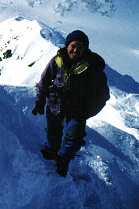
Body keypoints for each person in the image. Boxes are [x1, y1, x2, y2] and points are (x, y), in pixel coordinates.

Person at [32, 30, 110, 177]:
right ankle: (52, 151)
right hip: (55, 104)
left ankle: (63, 160)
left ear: (85, 49)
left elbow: (103, 95)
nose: (76, 50)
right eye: (73, 45)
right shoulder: (57, 61)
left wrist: (86, 112)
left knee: (74, 137)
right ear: (67, 45)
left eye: (80, 47)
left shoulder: (91, 68)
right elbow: (44, 81)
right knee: (53, 132)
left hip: (77, 110)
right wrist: (39, 101)